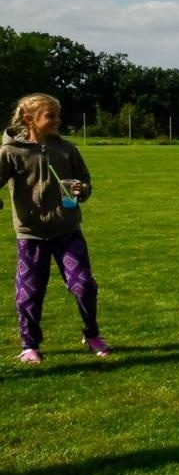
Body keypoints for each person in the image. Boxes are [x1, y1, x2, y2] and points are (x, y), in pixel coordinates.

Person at [1, 93, 110, 363]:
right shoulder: (11, 152)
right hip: (31, 235)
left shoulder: (67, 149)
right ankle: (29, 345)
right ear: (30, 119)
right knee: (29, 293)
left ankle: (92, 334)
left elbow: (84, 180)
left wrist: (81, 189)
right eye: (51, 116)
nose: (58, 120)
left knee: (83, 285)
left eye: (58, 115)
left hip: (68, 231)